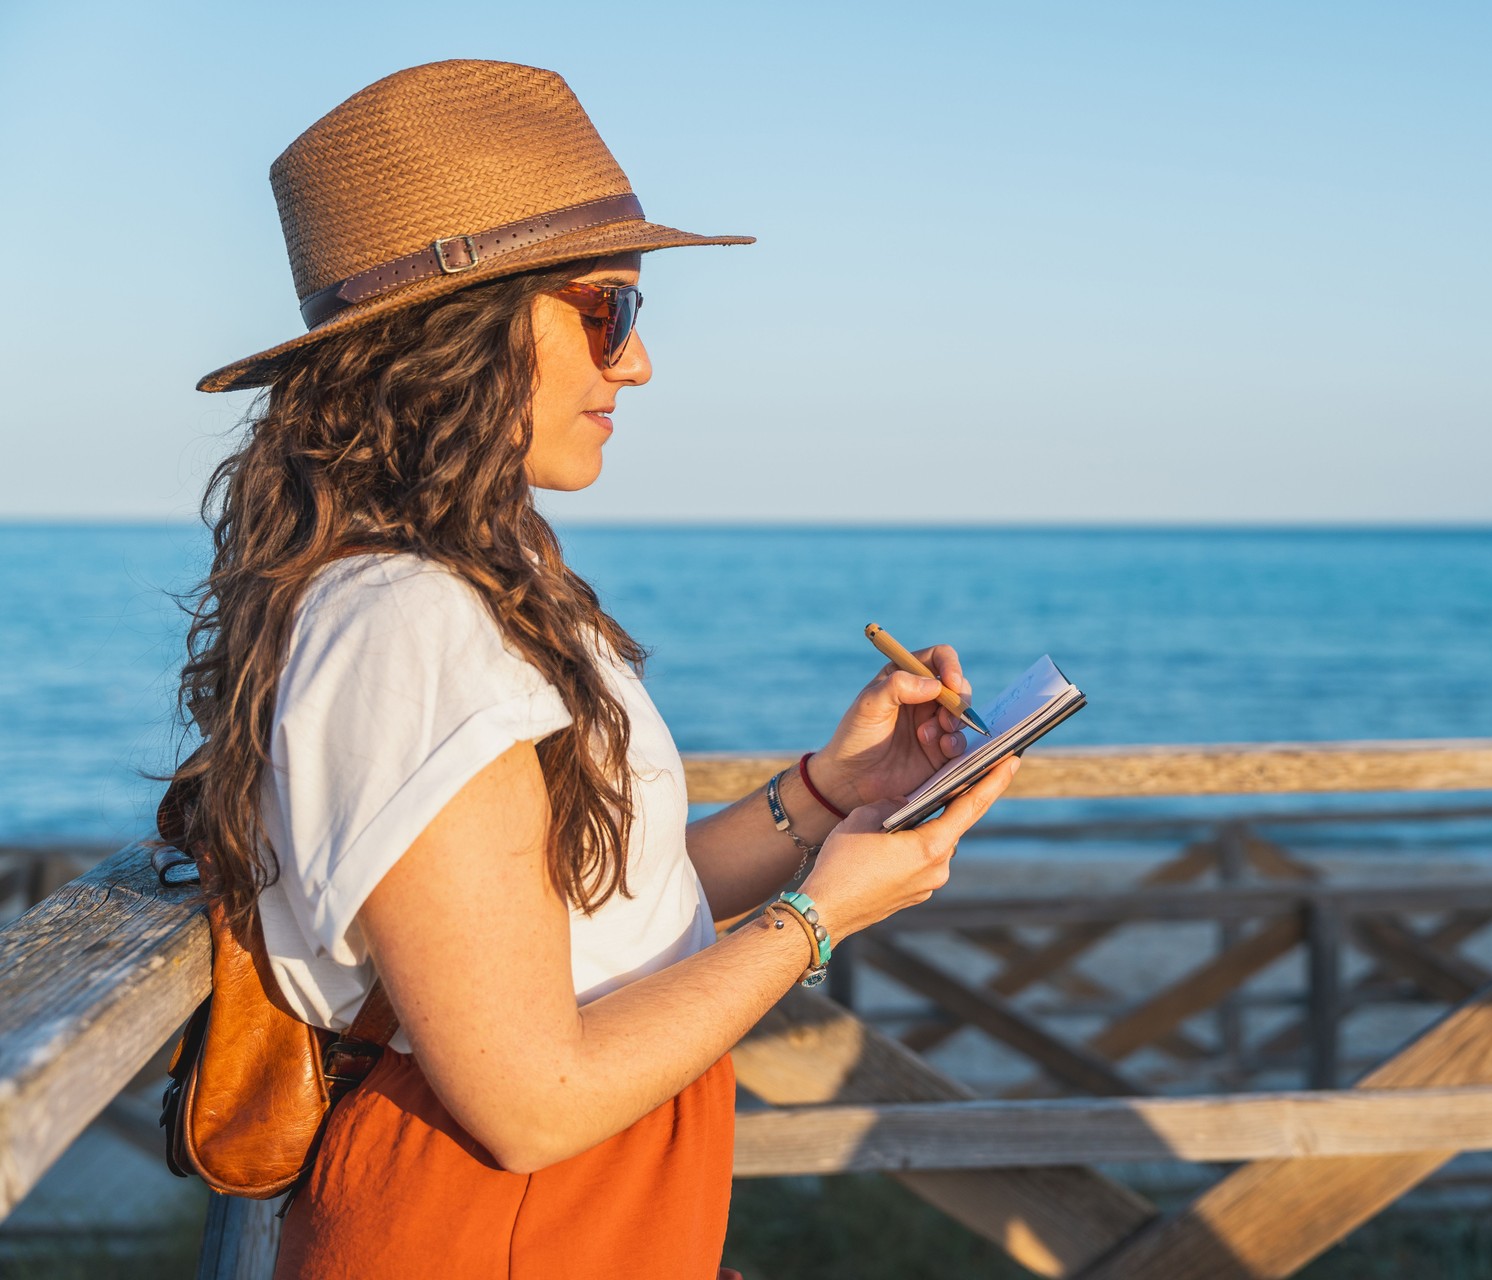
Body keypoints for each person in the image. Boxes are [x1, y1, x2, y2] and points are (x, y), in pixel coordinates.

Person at [174, 59, 1018, 1280]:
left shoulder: (465, 585)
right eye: (606, 311)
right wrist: (821, 914)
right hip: (508, 1224)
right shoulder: (408, 623)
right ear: (459, 334)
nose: (637, 364)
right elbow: (530, 1099)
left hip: (593, 1214)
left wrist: (834, 793)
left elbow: (596, 914)